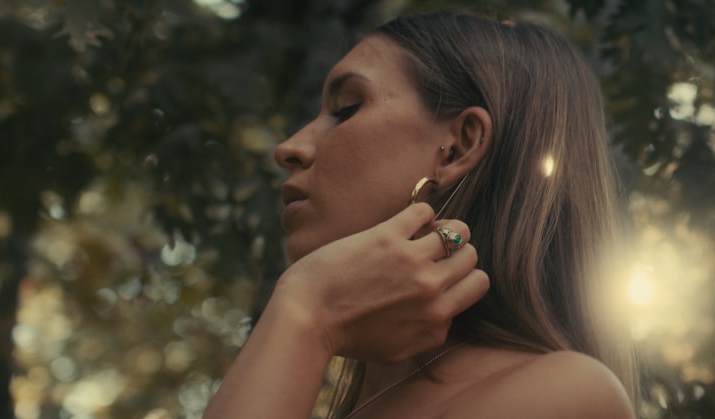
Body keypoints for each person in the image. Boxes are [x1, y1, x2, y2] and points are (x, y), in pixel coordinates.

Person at [204, 10, 636, 418]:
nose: (290, 148)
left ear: (458, 148)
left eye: (347, 108)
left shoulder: (567, 396)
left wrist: (305, 309)